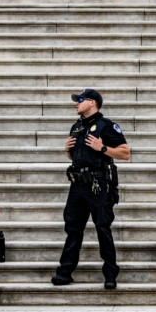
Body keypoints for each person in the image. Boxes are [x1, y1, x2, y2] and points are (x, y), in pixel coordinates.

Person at [52, 89, 130, 289]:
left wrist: (102, 148)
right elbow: (76, 158)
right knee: (73, 229)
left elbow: (125, 153)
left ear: (92, 102)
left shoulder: (107, 126)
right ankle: (65, 272)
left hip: (97, 184)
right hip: (77, 184)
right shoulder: (77, 127)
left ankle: (110, 274)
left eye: (80, 100)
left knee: (102, 228)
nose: (76, 103)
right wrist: (67, 151)